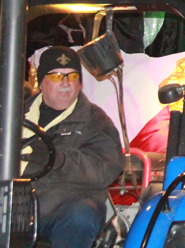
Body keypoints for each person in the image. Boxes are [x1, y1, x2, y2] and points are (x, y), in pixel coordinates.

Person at [24, 46, 124, 248]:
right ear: (41, 82)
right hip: (11, 205)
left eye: (72, 76)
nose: (65, 84)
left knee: (81, 217)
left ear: (80, 84)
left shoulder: (94, 120)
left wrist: (58, 159)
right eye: (56, 76)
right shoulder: (14, 115)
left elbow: (106, 167)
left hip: (61, 208)